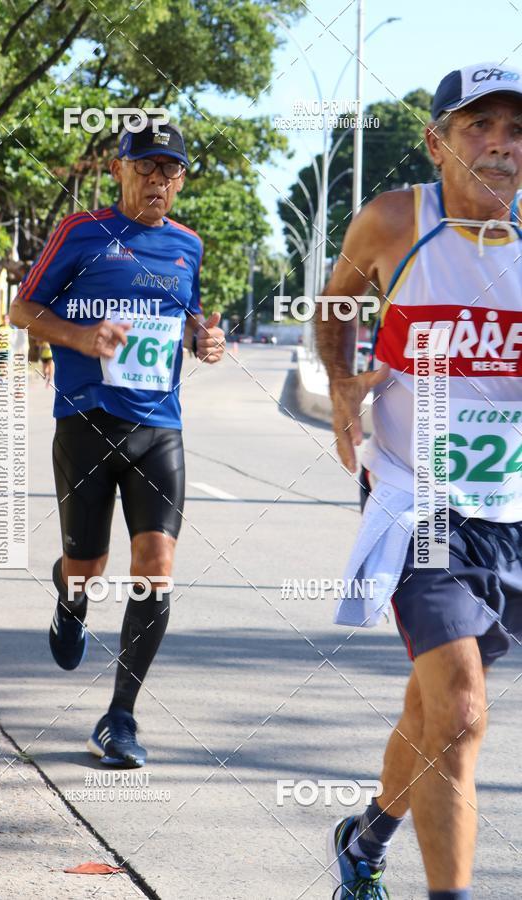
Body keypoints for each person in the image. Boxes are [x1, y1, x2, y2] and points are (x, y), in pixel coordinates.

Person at [316, 63, 522, 900]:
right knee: (463, 711)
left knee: (434, 713)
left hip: (510, 508)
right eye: (480, 127)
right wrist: (342, 382)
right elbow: (337, 303)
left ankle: (365, 838)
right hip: (419, 499)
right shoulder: (397, 220)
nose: (501, 146)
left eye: (516, 131)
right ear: (437, 142)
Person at [9, 118, 225, 768]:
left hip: (159, 429)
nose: (158, 179)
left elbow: (186, 317)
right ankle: (70, 597)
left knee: (156, 569)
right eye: (146, 166)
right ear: (118, 170)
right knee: (88, 567)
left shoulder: (187, 245)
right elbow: (23, 309)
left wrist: (204, 338)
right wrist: (81, 336)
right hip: (86, 422)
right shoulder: (81, 232)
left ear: (180, 181)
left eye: (170, 169)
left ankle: (120, 717)